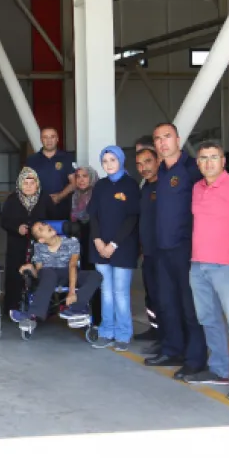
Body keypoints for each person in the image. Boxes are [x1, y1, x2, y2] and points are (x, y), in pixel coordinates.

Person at [185, 141, 229, 401]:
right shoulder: (196, 188)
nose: (208, 162)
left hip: (227, 266)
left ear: (223, 161)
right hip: (198, 265)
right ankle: (218, 370)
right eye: (203, 158)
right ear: (198, 163)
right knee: (208, 320)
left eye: (214, 157)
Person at [145, 123, 207, 380]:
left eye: (167, 137)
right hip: (162, 249)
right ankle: (173, 350)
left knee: (190, 307)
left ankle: (195, 359)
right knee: (167, 303)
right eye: (157, 138)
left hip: (186, 249)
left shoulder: (192, 169)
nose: (162, 142)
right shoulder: (160, 172)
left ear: (178, 140)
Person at [86, 146, 140, 352]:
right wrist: (98, 241)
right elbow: (94, 216)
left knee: (120, 292)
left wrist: (114, 244)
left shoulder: (130, 185)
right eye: (105, 161)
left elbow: (132, 217)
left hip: (123, 247)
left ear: (121, 161)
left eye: (113, 160)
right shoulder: (100, 186)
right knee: (106, 291)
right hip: (100, 248)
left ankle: (123, 333)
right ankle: (106, 331)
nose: (108, 164)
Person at [13, 221, 102, 334]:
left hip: (69, 273)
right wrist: (31, 268)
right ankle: (32, 314)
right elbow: (40, 273)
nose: (46, 226)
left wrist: (71, 292)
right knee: (48, 272)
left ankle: (77, 308)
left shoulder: (72, 242)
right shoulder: (39, 247)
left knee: (95, 275)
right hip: (49, 276)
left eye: (44, 225)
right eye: (40, 229)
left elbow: (72, 265)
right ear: (41, 240)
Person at [0, 167, 52, 313]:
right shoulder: (12, 199)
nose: (29, 186)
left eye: (32, 182)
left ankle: (39, 308)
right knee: (15, 273)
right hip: (17, 243)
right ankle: (13, 307)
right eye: (25, 182)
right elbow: (4, 221)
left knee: (39, 273)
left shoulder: (44, 199)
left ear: (37, 184)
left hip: (40, 245)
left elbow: (53, 219)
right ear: (20, 184)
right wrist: (17, 228)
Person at [136, 148, 163, 351]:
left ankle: (167, 336)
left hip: (164, 252)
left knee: (165, 296)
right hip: (149, 253)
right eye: (139, 164)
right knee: (151, 294)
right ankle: (155, 329)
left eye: (147, 162)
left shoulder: (165, 186)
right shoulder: (145, 187)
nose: (143, 168)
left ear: (157, 161)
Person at [71, 164, 102, 326]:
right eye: (78, 177)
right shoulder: (76, 196)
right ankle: (85, 316)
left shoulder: (98, 194)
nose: (81, 180)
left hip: (96, 242)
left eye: (85, 176)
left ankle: (98, 319)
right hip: (82, 244)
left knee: (97, 279)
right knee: (85, 279)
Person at [26, 127, 76, 220]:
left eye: (52, 137)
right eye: (45, 137)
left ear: (57, 139)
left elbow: (74, 183)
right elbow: (26, 184)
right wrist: (42, 199)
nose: (49, 140)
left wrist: (59, 197)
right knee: (39, 234)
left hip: (62, 208)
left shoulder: (67, 157)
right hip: (38, 208)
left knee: (61, 234)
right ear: (41, 140)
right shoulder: (32, 160)